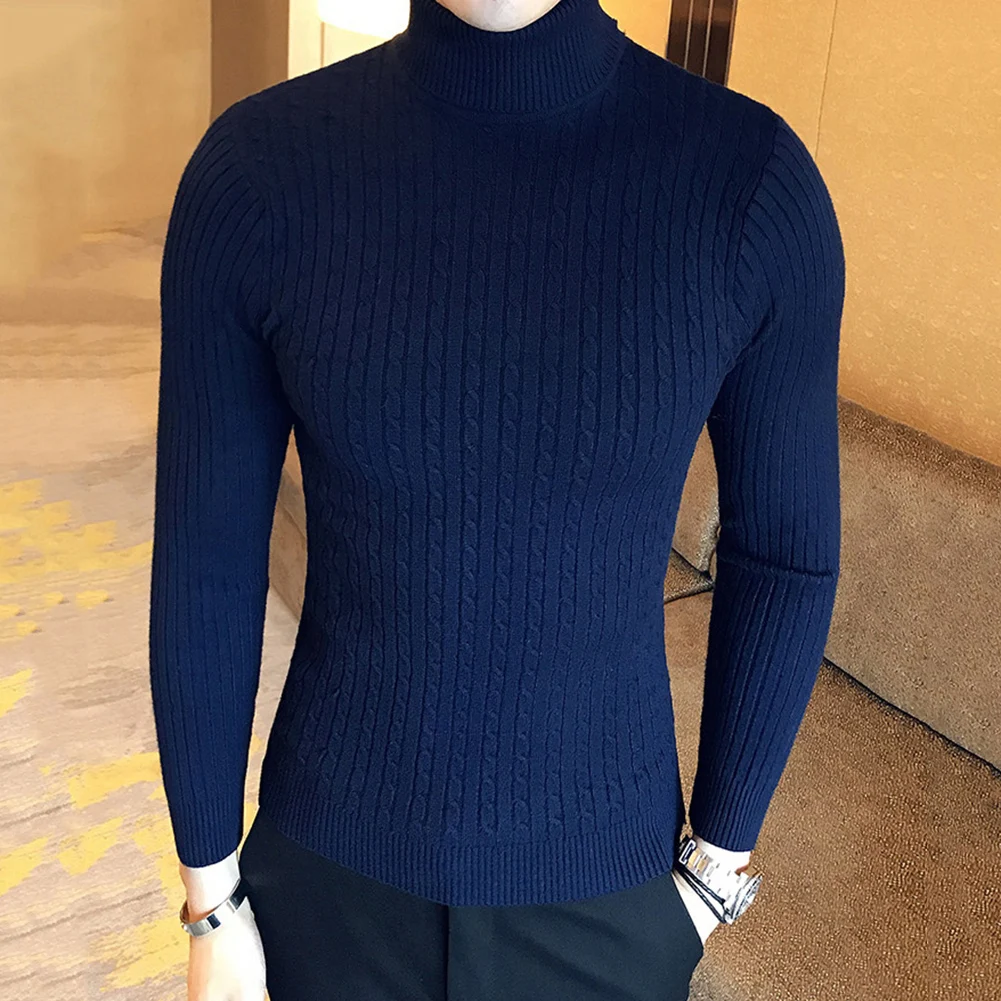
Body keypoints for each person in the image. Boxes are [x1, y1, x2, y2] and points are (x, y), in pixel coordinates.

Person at [148, 0, 845, 997]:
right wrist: (210, 902)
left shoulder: (748, 184)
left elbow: (781, 554)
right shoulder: (257, 175)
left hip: (612, 892)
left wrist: (712, 872)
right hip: (325, 876)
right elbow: (206, 558)